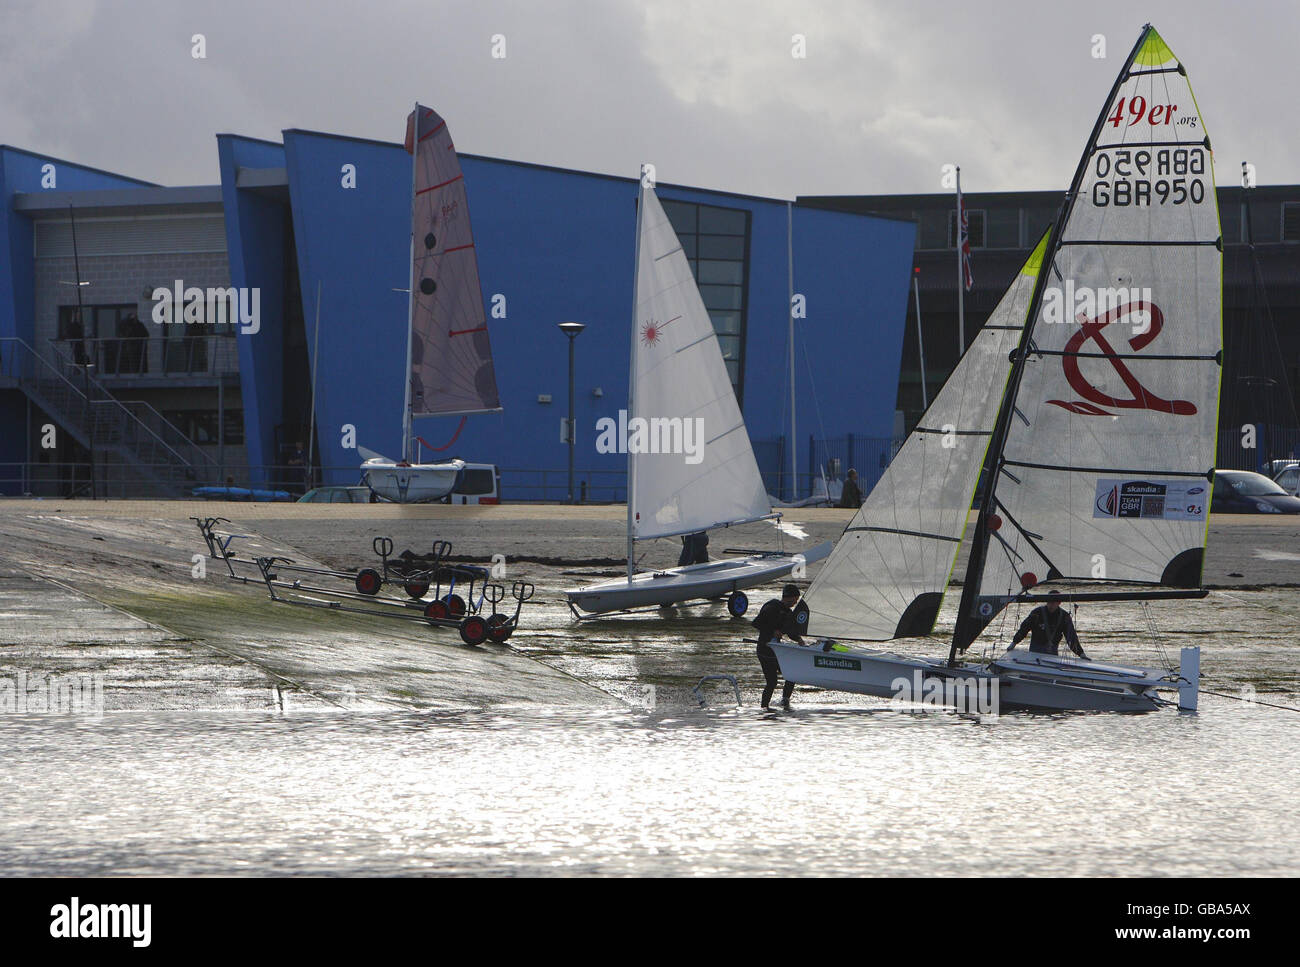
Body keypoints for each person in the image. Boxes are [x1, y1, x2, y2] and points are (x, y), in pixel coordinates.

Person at [753, 583, 806, 709]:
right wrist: (772, 631)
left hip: (777, 651)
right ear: (788, 597)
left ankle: (785, 700)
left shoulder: (788, 613)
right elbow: (757, 623)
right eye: (795, 599)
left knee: (792, 674)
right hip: (764, 650)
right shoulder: (772, 606)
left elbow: (790, 631)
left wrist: (798, 639)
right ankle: (764, 708)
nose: (795, 602)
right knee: (772, 682)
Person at [1009, 590, 1089, 659]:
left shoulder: (1064, 617)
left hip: (1052, 652)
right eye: (1049, 602)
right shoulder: (1036, 613)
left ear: (1059, 603)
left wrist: (1081, 654)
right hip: (1035, 652)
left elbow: (1071, 637)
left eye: (1054, 602)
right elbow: (1024, 629)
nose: (1051, 604)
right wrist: (1013, 643)